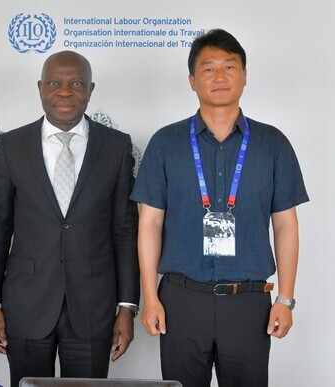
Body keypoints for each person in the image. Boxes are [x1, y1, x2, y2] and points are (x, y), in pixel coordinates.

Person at [130, 29, 309, 387]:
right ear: (192, 81)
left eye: (230, 66)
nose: (221, 76)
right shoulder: (165, 143)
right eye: (209, 68)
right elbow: (149, 224)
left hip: (248, 303)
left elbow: (286, 225)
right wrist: (150, 296)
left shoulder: (273, 144)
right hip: (181, 299)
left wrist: (285, 299)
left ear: (245, 76)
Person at [0, 50, 140, 386]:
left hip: (94, 307)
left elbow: (125, 231)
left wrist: (127, 307)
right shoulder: (12, 145)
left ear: (91, 89)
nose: (65, 91)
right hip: (26, 305)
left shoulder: (115, 146)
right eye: (55, 82)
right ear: (40, 87)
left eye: (76, 84)